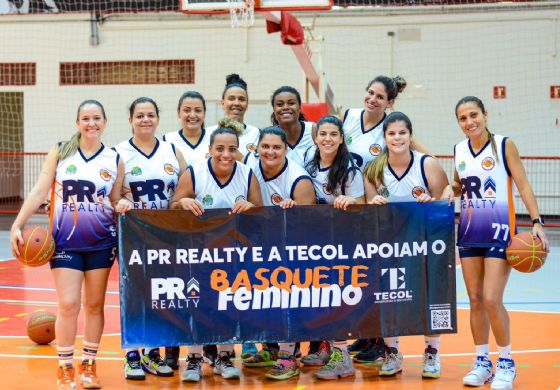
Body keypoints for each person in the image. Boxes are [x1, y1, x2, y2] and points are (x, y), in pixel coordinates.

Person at [9, 100, 125, 390]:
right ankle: (65, 367)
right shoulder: (61, 152)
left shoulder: (114, 158)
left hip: (101, 241)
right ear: (77, 123)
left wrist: (123, 202)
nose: (91, 123)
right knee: (69, 304)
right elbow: (39, 190)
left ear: (105, 122)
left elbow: (115, 198)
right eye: (85, 118)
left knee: (95, 305)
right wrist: (17, 224)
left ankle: (89, 364)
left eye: (97, 118)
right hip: (65, 241)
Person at [452, 96, 549, 389]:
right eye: (463, 118)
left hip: (499, 232)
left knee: (492, 298)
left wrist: (536, 222)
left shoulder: (504, 144)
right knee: (475, 300)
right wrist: (448, 188)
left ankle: (506, 362)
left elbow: (523, 184)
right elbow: (460, 185)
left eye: (474, 115)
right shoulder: (458, 149)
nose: (469, 122)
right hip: (468, 231)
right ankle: (482, 361)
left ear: (485, 114)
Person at [341, 75, 430, 364]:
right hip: (351, 202)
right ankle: (368, 335)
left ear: (389, 103)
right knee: (361, 271)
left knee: (378, 273)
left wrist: (440, 185)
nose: (372, 99)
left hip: (377, 205)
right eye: (370, 93)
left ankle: (380, 341)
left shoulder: (391, 126)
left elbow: (425, 156)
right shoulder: (348, 116)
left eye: (380, 97)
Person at [170, 117, 263, 382]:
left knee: (228, 304)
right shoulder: (195, 172)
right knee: (198, 304)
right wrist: (185, 201)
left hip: (234, 252)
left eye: (231, 148)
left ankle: (224, 356)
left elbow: (262, 212)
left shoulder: (246, 173)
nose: (226, 154)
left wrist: (251, 207)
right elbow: (175, 205)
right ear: (209, 150)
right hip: (199, 251)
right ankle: (195, 359)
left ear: (238, 150)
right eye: (220, 148)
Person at [363, 111, 453, 379]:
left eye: (402, 132)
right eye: (391, 133)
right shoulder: (374, 169)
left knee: (429, 296)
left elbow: (445, 197)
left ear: (410, 136)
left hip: (424, 244)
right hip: (390, 246)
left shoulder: (427, 165)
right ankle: (393, 353)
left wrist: (435, 201)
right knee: (389, 297)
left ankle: (432, 352)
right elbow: (369, 209)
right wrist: (373, 204)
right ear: (385, 137)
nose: (397, 137)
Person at [113, 97, 186, 380]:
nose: (145, 120)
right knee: (134, 295)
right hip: (134, 234)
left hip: (167, 235)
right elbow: (113, 194)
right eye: (140, 115)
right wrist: (120, 203)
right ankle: (132, 355)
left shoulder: (171, 150)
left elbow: (184, 190)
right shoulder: (119, 153)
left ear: (158, 118)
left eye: (150, 115)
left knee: (161, 294)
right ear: (130, 120)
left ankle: (153, 355)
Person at [242, 126, 316, 380]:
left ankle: (288, 355)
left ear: (286, 150)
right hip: (263, 245)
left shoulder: (299, 179)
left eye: (276, 147)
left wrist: (292, 212)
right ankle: (271, 349)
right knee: (265, 300)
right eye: (266, 146)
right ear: (257, 148)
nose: (270, 151)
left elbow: (310, 224)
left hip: (293, 247)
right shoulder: (249, 167)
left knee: (288, 299)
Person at [302, 115, 365, 380]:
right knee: (321, 297)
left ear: (341, 139)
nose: (327, 139)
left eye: (333, 135)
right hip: (316, 240)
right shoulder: (308, 162)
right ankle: (329, 348)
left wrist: (349, 199)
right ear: (316, 137)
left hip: (342, 242)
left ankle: (343, 358)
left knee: (337, 298)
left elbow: (362, 203)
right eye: (323, 134)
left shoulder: (349, 170)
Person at [207, 74, 260, 159]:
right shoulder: (207, 133)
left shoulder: (257, 134)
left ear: (247, 104)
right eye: (231, 98)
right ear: (222, 103)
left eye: (241, 99)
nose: (236, 103)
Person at [270, 85, 316, 168]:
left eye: (291, 103)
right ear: (274, 109)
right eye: (280, 104)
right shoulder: (270, 137)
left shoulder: (314, 130)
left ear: (299, 107)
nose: (285, 107)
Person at [162, 91, 211, 167]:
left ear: (204, 113)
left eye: (198, 110)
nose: (192, 115)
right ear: (178, 113)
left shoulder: (214, 138)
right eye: (187, 110)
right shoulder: (168, 139)